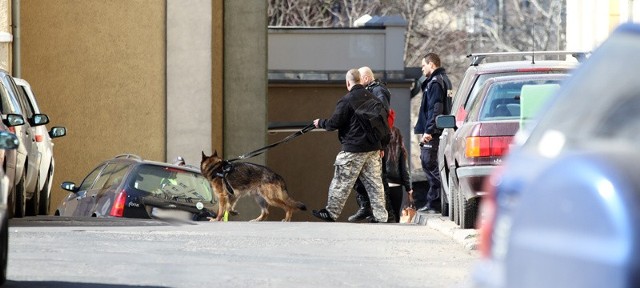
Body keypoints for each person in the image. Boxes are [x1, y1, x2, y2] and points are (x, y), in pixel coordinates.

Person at [312, 68, 388, 223]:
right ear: (361, 80)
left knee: (341, 182)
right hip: (373, 148)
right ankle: (381, 217)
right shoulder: (373, 98)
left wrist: (320, 122)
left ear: (348, 82)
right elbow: (383, 123)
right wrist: (382, 146)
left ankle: (331, 213)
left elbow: (334, 123)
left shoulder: (347, 100)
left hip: (353, 148)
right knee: (375, 184)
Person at [348, 66, 396, 223]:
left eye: (359, 80)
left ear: (366, 79)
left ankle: (385, 214)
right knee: (366, 177)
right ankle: (370, 209)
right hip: (370, 142)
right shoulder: (372, 91)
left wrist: (380, 144)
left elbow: (380, 120)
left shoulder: (378, 91)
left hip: (375, 143)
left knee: (378, 179)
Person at [413, 53, 450, 213]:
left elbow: (435, 108)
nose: (422, 69)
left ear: (432, 64)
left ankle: (437, 202)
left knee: (429, 163)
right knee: (430, 164)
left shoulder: (435, 82)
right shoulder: (443, 79)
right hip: (441, 130)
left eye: (423, 65)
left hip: (435, 132)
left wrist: (429, 131)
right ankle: (438, 202)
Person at [385, 126, 413, 222]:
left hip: (382, 186)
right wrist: (408, 188)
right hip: (396, 187)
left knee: (383, 214)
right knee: (396, 214)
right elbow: (404, 171)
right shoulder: (401, 149)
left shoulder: (381, 149)